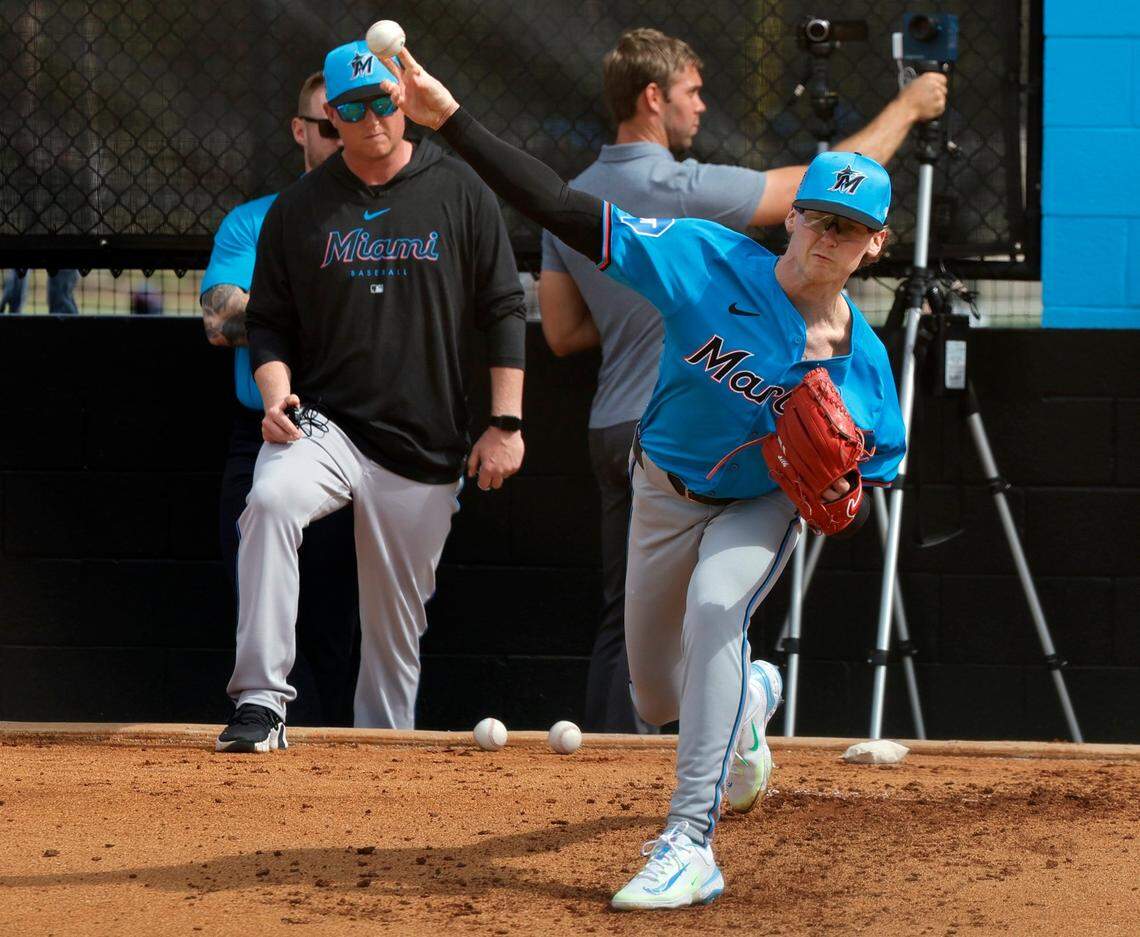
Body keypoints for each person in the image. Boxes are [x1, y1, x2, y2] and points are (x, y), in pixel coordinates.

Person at [379, 46, 905, 910]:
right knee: (656, 691)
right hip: (662, 486)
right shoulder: (703, 260)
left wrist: (842, 495)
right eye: (813, 216)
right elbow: (559, 206)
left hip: (755, 505)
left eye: (845, 228)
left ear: (874, 246)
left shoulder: (864, 370)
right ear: (791, 220)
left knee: (715, 610)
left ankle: (689, 841)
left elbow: (865, 480)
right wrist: (451, 122)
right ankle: (750, 699)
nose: (822, 236)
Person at [539, 27, 946, 734]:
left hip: (616, 422)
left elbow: (562, 331)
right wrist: (908, 109)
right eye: (693, 93)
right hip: (696, 422)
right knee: (688, 628)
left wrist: (660, 308)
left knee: (651, 617)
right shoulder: (692, 187)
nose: (701, 108)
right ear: (653, 96)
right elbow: (821, 187)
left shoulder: (577, 191)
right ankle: (732, 709)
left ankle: (644, 758)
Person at [215, 39, 527, 753]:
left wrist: (505, 422)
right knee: (268, 501)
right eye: (352, 109)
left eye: (383, 102)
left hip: (423, 440)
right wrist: (275, 396)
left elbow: (505, 306)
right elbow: (267, 323)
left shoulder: (460, 189)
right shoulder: (300, 209)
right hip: (327, 426)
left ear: (403, 101)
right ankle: (261, 701)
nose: (372, 120)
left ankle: (381, 775)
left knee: (393, 638)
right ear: (330, 115)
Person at [200, 71, 360, 728]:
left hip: (359, 436)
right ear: (301, 130)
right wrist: (313, 309)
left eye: (354, 121)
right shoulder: (253, 221)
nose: (344, 135)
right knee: (264, 617)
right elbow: (219, 318)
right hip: (267, 430)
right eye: (328, 125)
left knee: (346, 635)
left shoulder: (385, 219)